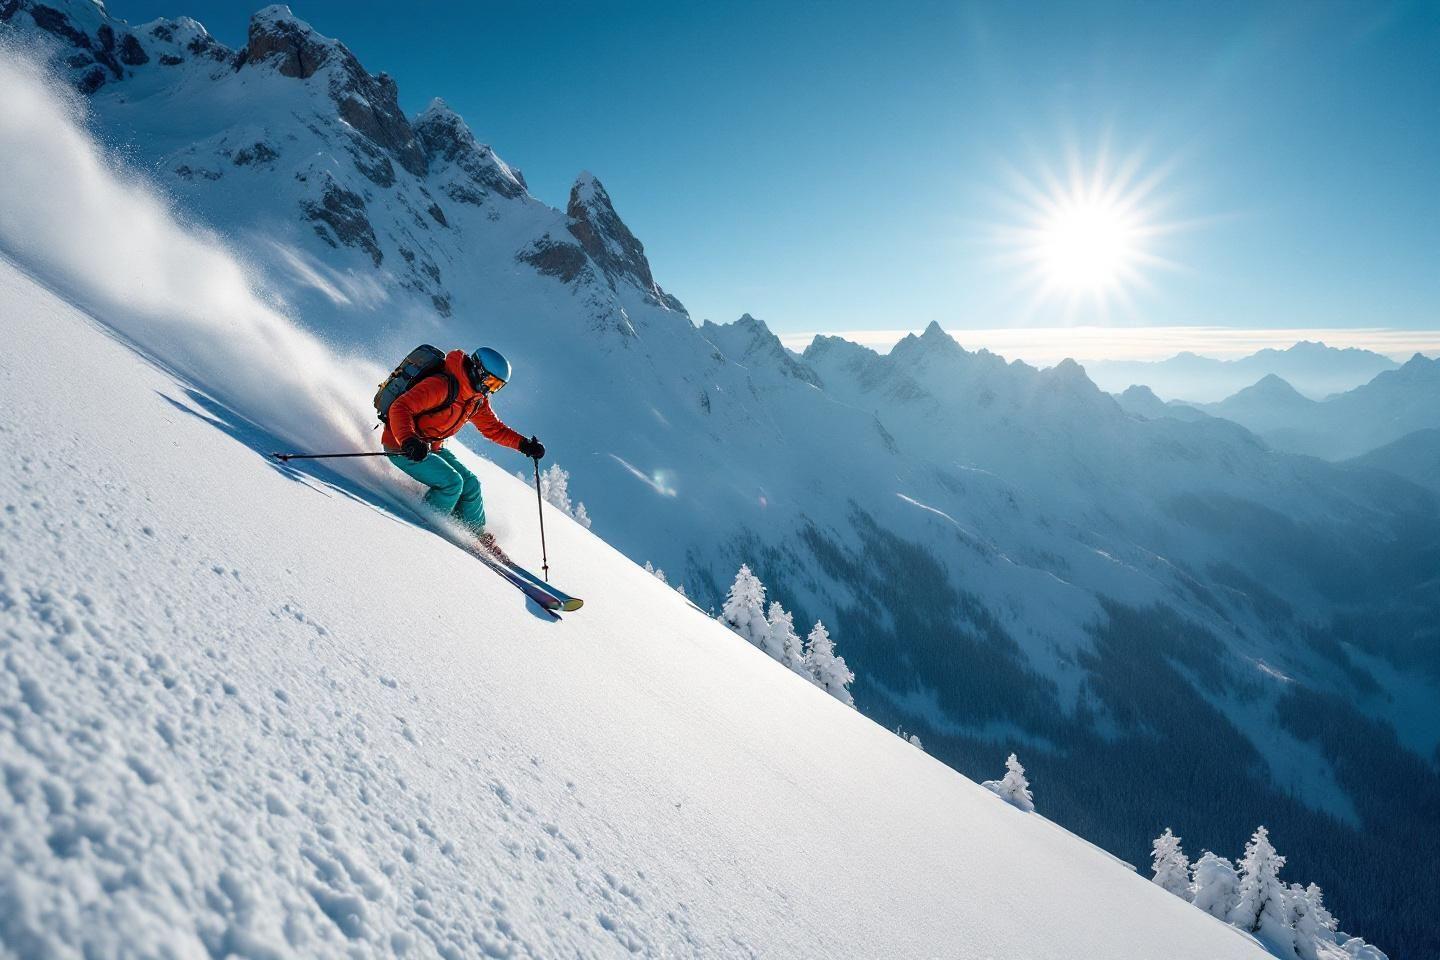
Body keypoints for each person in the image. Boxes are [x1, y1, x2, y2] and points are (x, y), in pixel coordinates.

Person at [382, 346, 544, 539]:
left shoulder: (476, 400)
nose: (490, 389)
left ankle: (473, 532)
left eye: (497, 386)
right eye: (490, 382)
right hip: (404, 446)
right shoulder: (442, 385)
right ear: (478, 370)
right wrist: (409, 439)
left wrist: (524, 445)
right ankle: (426, 524)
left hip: (432, 447)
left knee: (471, 485)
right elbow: (400, 407)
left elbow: (494, 429)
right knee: (451, 483)